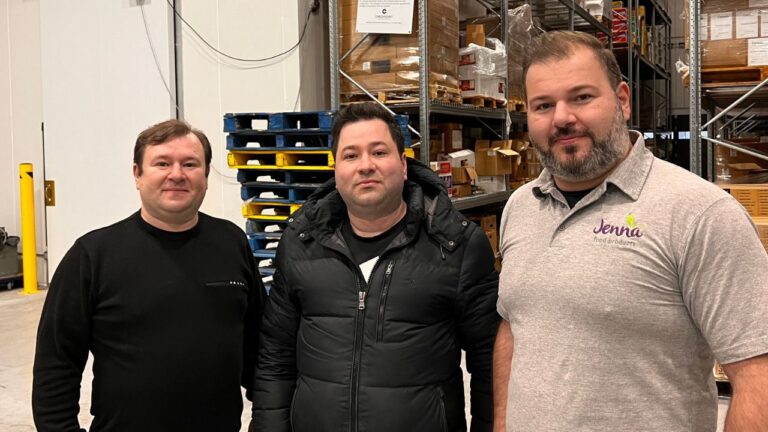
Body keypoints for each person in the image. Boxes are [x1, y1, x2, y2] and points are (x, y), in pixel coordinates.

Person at [493, 30, 768, 432]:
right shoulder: (520, 207)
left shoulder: (699, 213)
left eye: (582, 97)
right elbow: (513, 327)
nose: (562, 118)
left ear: (622, 100)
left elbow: (757, 374)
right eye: (543, 105)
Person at [251, 102, 499, 432]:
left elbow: (489, 362)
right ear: (336, 169)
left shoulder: (456, 246)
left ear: (403, 164)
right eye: (351, 156)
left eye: (379, 152)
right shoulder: (300, 243)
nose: (365, 166)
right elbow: (275, 358)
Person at [32, 119, 266, 432]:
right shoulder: (93, 255)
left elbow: (258, 348)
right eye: (162, 163)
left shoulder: (231, 243)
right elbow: (55, 366)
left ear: (206, 176)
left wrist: (266, 421)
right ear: (137, 175)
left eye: (190, 164)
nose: (177, 174)